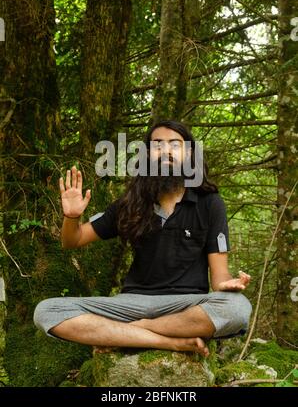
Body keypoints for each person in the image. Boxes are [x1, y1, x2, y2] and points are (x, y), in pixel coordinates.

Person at [34, 120, 252, 357]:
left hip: (186, 305)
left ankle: (129, 333)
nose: (166, 150)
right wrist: (71, 216)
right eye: (158, 145)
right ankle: (172, 342)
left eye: (175, 145)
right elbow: (71, 240)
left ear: (189, 154)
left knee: (238, 308)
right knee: (47, 311)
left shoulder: (210, 203)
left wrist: (226, 286)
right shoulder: (130, 204)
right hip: (131, 304)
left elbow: (219, 276)